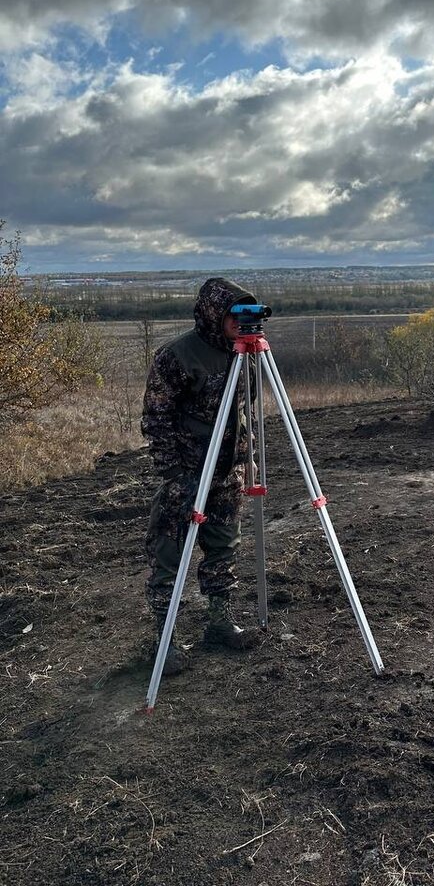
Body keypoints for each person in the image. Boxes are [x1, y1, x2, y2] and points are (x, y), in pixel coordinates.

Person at [142, 276, 260, 674]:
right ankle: (165, 638)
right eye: (233, 313)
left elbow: (247, 408)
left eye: (245, 313)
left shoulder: (244, 354)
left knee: (223, 548)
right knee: (171, 555)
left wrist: (249, 457)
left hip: (228, 471)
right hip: (188, 471)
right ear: (213, 313)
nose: (239, 321)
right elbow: (156, 419)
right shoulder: (176, 356)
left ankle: (219, 621)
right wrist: (174, 473)